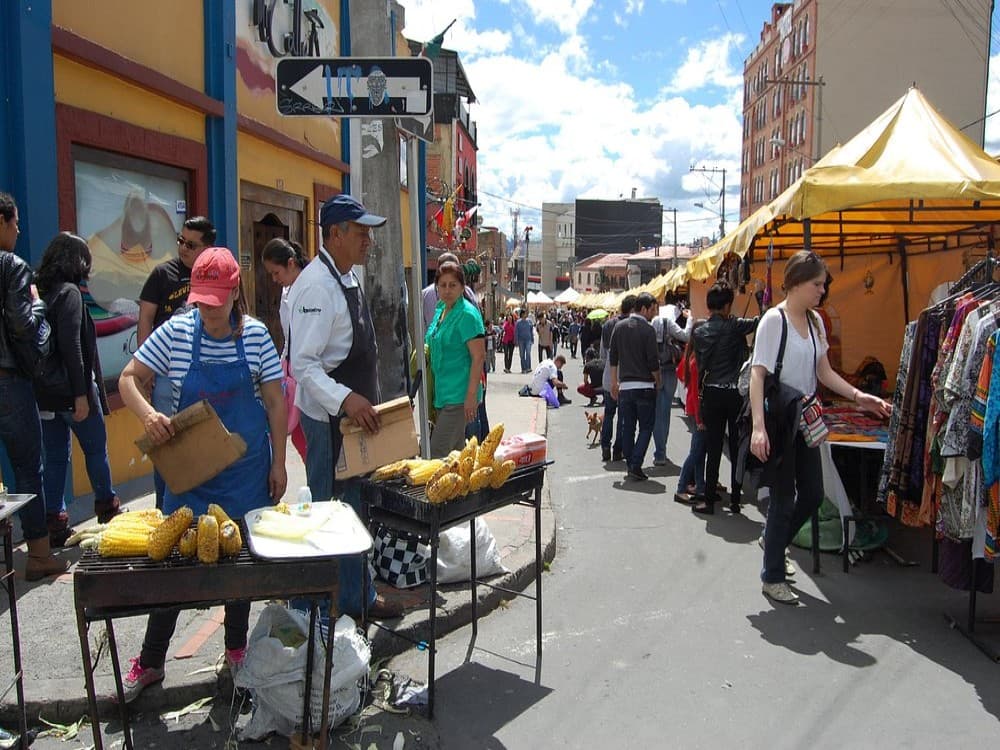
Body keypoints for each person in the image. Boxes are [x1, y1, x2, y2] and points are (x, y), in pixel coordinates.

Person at [118, 247, 287, 700]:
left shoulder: (256, 337)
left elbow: (275, 402)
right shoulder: (176, 331)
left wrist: (280, 463)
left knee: (239, 570)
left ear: (235, 292)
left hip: (245, 475)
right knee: (174, 571)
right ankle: (151, 662)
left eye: (217, 301)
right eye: (202, 302)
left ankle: (236, 653)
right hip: (190, 476)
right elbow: (128, 379)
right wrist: (149, 415)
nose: (209, 311)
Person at [750, 251, 892, 605]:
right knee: (784, 500)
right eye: (817, 284)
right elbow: (758, 373)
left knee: (813, 494)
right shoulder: (773, 319)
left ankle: (774, 540)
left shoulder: (815, 322)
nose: (822, 291)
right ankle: (772, 576)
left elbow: (824, 372)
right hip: (782, 422)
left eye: (823, 285)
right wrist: (758, 427)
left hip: (808, 421)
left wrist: (861, 396)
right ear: (796, 282)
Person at [288, 193, 403, 621]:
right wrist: (347, 399)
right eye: (360, 233)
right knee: (329, 512)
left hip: (356, 422)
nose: (368, 241)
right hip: (329, 423)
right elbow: (304, 365)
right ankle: (321, 604)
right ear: (335, 235)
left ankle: (360, 597)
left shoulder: (346, 276)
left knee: (356, 509)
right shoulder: (316, 285)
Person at [34, 233, 119, 547]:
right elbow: (72, 346)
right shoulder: (70, 293)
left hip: (45, 393)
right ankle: (107, 509)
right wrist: (81, 393)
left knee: (55, 458)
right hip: (72, 392)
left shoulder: (41, 292)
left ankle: (54, 522)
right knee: (96, 449)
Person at [0, 192, 67, 581]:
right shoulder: (11, 265)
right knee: (28, 468)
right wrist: (39, 304)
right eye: (15, 223)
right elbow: (25, 326)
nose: (19, 230)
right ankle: (39, 554)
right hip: (9, 380)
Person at [137, 215, 215, 510]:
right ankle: (164, 508)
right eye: (180, 241)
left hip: (207, 373)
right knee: (166, 446)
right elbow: (145, 318)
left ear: (207, 248)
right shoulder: (162, 274)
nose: (183, 248)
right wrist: (148, 369)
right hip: (167, 377)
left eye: (191, 244)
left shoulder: (213, 275)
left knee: (204, 444)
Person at [691, 281, 759, 515]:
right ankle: (735, 499)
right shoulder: (735, 326)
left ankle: (708, 500)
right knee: (737, 445)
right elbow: (759, 323)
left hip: (710, 392)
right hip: (735, 394)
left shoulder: (699, 332)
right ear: (728, 304)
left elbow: (700, 366)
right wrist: (760, 295)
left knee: (714, 445)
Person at [426, 262, 486, 456]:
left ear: (462, 287)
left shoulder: (467, 314)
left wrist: (470, 396)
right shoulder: (441, 310)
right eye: (442, 285)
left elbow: (479, 357)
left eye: (453, 285)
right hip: (443, 393)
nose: (447, 290)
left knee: (436, 452)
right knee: (456, 456)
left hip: (460, 395)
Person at [262, 237, 308, 462]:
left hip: (309, 378)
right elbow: (288, 338)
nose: (274, 279)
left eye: (276, 272)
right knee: (300, 441)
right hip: (292, 374)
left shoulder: (311, 288)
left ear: (291, 263)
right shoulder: (287, 292)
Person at [609, 292, 660, 481]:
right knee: (646, 427)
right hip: (645, 385)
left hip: (626, 386)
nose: (654, 314)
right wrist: (658, 381)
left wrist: (614, 382)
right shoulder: (648, 330)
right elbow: (653, 362)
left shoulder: (619, 327)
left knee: (628, 426)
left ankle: (631, 461)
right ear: (644, 309)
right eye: (652, 310)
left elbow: (613, 357)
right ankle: (635, 462)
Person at [651, 305, 694, 466]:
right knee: (665, 412)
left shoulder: (651, 322)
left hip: (654, 371)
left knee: (657, 413)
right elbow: (686, 336)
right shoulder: (668, 322)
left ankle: (659, 452)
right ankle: (662, 452)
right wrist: (689, 319)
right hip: (669, 369)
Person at [674, 324, 706, 504]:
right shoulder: (696, 360)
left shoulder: (691, 355)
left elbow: (680, 373)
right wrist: (701, 418)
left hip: (693, 408)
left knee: (699, 451)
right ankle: (681, 487)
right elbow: (696, 389)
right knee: (696, 451)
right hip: (697, 410)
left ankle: (700, 486)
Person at [600, 297, 635, 463]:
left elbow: (602, 353)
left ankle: (605, 447)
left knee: (608, 414)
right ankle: (617, 450)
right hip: (624, 377)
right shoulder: (631, 325)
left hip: (608, 374)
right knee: (622, 417)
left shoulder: (608, 324)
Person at [515, 309, 534, 373]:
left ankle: (528, 367)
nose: (526, 315)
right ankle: (523, 368)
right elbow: (516, 332)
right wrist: (516, 340)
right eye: (525, 313)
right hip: (521, 340)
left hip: (528, 339)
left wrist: (532, 339)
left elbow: (531, 330)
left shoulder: (529, 321)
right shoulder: (518, 322)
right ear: (522, 314)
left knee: (528, 353)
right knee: (522, 355)